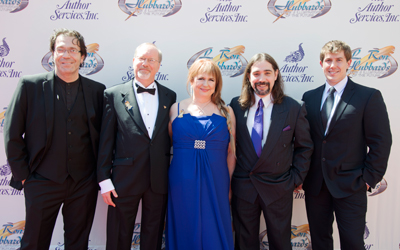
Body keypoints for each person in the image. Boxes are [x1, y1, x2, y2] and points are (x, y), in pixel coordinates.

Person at [4, 28, 105, 250]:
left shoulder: (97, 91)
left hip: (83, 183)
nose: (66, 55)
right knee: (33, 243)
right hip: (41, 181)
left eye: (72, 50)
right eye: (60, 49)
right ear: (52, 54)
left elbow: (103, 138)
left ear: (82, 56)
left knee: (78, 244)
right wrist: (23, 175)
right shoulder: (29, 86)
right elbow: (12, 133)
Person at [301, 40, 392, 250]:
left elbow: (381, 141)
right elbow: (305, 141)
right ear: (321, 63)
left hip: (351, 185)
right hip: (316, 186)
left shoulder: (368, 96)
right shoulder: (310, 97)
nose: (333, 65)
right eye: (328, 60)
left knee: (352, 243)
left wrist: (369, 178)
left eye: (339, 60)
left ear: (349, 62)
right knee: (320, 242)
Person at [229, 53, 313, 250]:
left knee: (280, 242)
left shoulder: (293, 108)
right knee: (244, 242)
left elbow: (305, 147)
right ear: (249, 76)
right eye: (256, 73)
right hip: (244, 186)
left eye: (267, 73)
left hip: (278, 187)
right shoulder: (235, 105)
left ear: (276, 74)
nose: (262, 79)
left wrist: (294, 179)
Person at [97, 42, 176, 250]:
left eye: (151, 60)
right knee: (118, 236)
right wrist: (104, 179)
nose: (145, 64)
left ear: (158, 65)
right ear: (133, 62)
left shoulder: (170, 96)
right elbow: (106, 140)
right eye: (141, 58)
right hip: (123, 179)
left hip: (158, 180)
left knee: (153, 235)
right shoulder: (113, 95)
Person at [165, 59, 236, 250]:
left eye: (211, 80)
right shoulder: (176, 108)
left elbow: (231, 154)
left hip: (217, 180)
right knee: (184, 222)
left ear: (217, 83)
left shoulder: (227, 112)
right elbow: (173, 143)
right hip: (181, 180)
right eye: (201, 78)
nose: (205, 84)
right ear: (191, 80)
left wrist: (228, 184)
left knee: (214, 226)